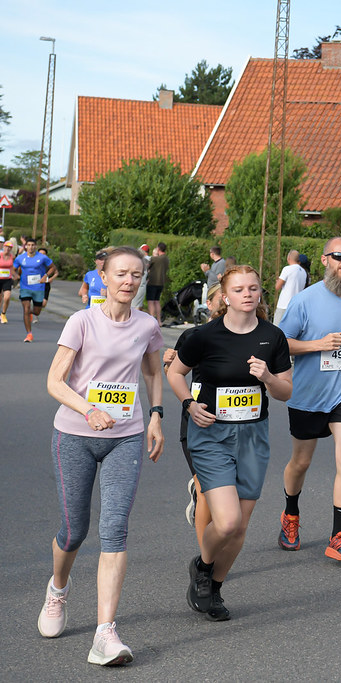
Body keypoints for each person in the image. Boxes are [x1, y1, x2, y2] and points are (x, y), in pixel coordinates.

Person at [39, 246, 164, 666]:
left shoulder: (147, 324)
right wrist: (88, 409)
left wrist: (156, 415)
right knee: (74, 530)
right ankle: (58, 589)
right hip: (74, 435)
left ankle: (104, 634)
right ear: (104, 277)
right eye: (121, 274)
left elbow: (151, 370)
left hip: (125, 438)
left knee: (114, 530)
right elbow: (55, 382)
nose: (129, 281)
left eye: (136, 275)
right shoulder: (82, 321)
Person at [167, 265, 292, 622]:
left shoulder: (273, 337)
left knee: (240, 526)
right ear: (225, 297)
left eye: (253, 288)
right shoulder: (203, 336)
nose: (248, 294)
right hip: (210, 434)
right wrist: (189, 405)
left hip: (253, 435)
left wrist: (267, 376)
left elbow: (285, 391)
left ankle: (215, 587)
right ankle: (203, 566)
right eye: (239, 289)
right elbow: (174, 373)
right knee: (227, 521)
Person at [276, 237, 341, 561]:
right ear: (324, 260)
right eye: (338, 256)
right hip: (308, 394)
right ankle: (290, 515)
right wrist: (317, 345)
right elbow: (282, 343)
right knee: (300, 462)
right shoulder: (304, 300)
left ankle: (338, 536)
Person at [162, 284, 223, 552]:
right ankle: (205, 560)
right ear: (208, 304)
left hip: (237, 423)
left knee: (225, 493)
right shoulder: (192, 335)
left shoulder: (249, 335)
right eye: (220, 299)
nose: (226, 303)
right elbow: (174, 373)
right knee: (206, 489)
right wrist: (167, 364)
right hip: (198, 420)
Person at [12, 236, 57, 342]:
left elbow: (53, 268)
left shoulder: (42, 257)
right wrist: (16, 276)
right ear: (26, 246)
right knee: (26, 309)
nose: (31, 247)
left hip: (39, 288)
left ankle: (31, 314)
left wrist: (45, 275)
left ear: (35, 247)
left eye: (33, 245)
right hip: (25, 287)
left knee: (37, 312)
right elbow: (13, 269)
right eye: (29, 245)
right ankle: (29, 334)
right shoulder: (20, 258)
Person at [273, 249, 308, 326]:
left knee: (276, 328)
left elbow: (277, 287)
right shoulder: (303, 272)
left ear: (288, 258)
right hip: (296, 306)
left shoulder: (287, 269)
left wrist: (278, 281)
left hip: (284, 304)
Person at [146, 243, 169, 321]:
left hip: (152, 282)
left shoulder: (156, 259)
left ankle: (152, 320)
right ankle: (159, 321)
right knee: (157, 301)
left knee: (151, 301)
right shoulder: (166, 259)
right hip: (161, 282)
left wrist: (154, 254)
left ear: (158, 249)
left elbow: (148, 264)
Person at [0, 239, 15, 324]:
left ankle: (3, 314)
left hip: (7, 279)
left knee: (7, 297)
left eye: (10, 247)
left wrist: (15, 275)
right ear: (3, 247)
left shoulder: (12, 257)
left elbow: (12, 267)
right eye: (7, 247)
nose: (8, 249)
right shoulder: (0, 255)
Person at [131, 245, 150, 310]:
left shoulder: (142, 262)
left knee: (135, 307)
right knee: (137, 305)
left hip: (139, 287)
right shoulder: (146, 261)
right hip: (141, 286)